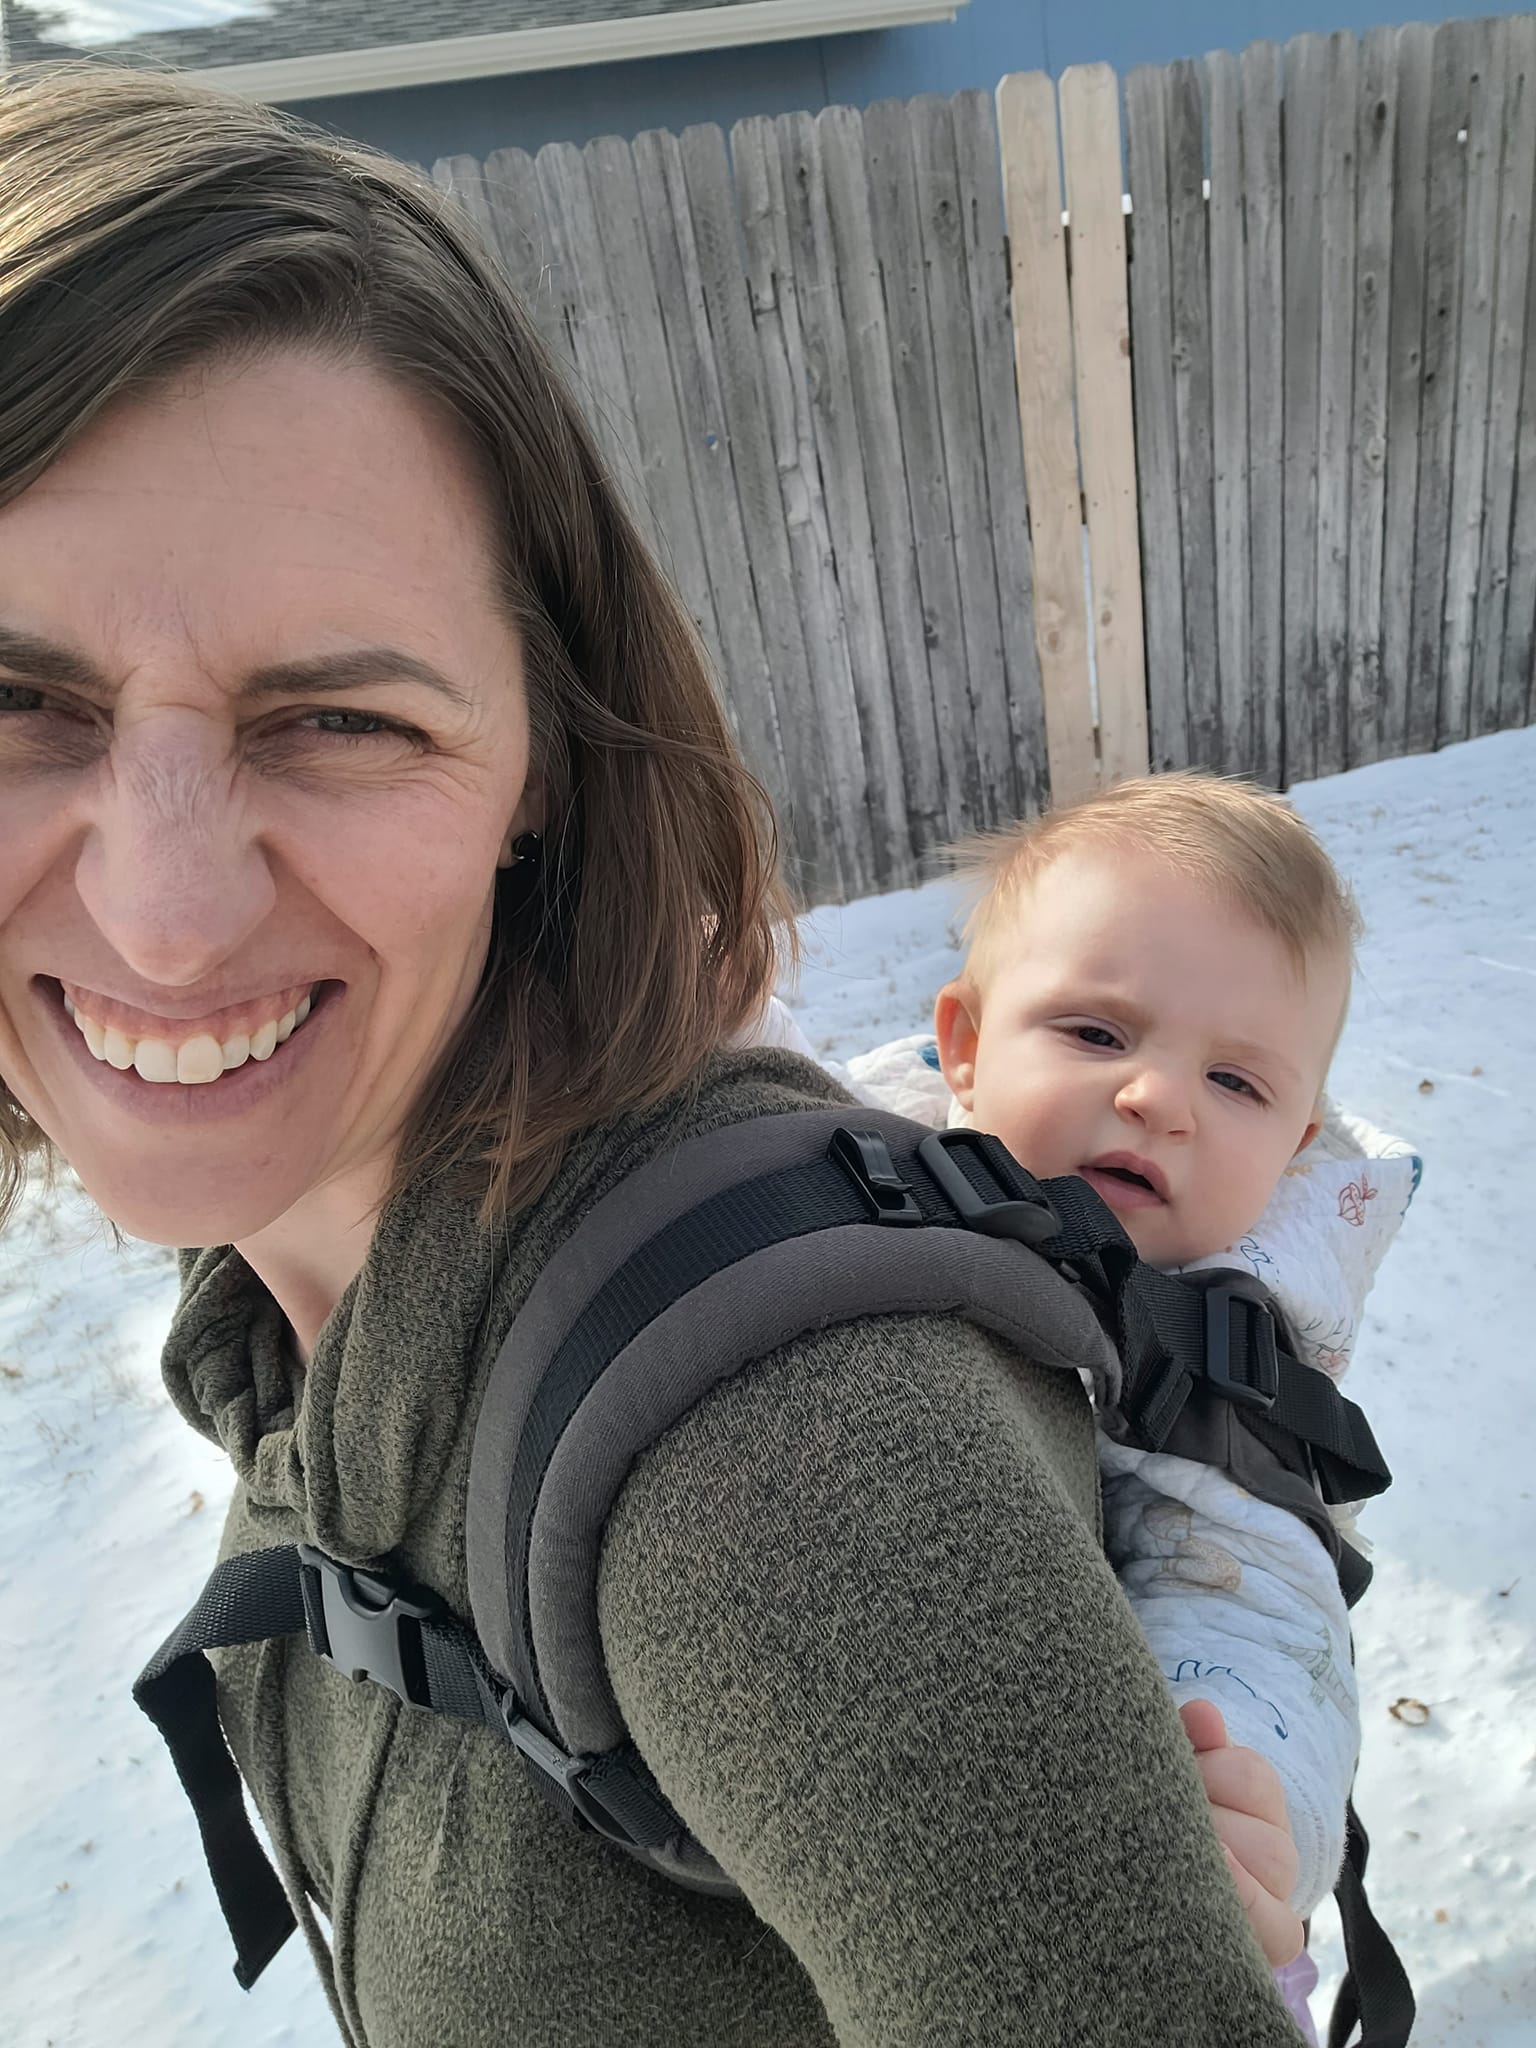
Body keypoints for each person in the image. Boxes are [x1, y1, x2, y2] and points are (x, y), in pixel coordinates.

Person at [0, 64, 1313, 2046]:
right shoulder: (303, 1313)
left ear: (544, 758)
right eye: (18, 697)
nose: (167, 914)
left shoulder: (781, 1459)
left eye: (340, 720)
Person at [834, 774, 1420, 2044]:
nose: (1161, 1097)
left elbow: (1259, 1610)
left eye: (1237, 1081)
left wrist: (1247, 1787)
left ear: (1296, 1141)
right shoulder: (841, 1157)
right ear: (965, 1043)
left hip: (1053, 1860)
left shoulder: (1217, 1359)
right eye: (1098, 1033)